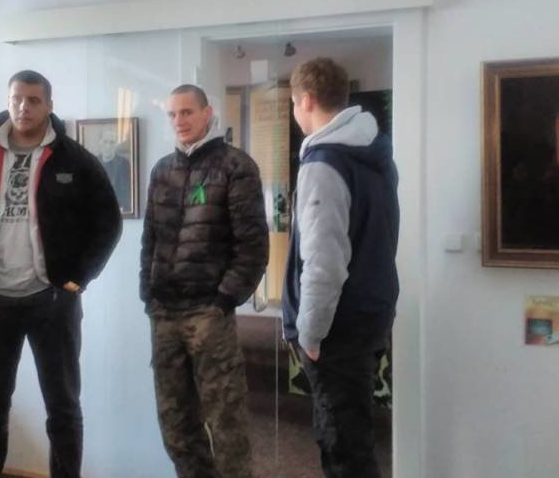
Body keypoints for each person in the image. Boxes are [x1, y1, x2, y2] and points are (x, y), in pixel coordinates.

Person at [0, 70, 122, 478]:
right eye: (17, 99)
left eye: (34, 100)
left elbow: (108, 223)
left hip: (52, 300)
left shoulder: (75, 159)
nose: (24, 107)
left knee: (63, 408)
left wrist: (78, 278)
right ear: (8, 102)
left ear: (49, 106)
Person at [140, 84, 268, 478]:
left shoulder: (236, 166)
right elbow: (150, 240)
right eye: (172, 114)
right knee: (176, 427)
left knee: (226, 424)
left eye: (187, 112)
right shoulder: (162, 170)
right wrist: (148, 292)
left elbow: (253, 247)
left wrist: (223, 301)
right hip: (165, 314)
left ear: (207, 113)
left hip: (208, 314)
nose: (179, 121)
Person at [282, 57, 399, 478]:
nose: (295, 112)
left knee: (342, 449)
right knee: (355, 439)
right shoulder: (375, 154)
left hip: (337, 328)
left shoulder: (324, 163)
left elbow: (324, 262)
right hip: (370, 313)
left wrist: (311, 333)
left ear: (306, 100)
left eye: (294, 103)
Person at [97, 128, 131, 211]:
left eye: (112, 143)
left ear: (116, 145)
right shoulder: (92, 162)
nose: (108, 146)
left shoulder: (123, 163)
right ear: (100, 143)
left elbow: (126, 190)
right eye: (105, 142)